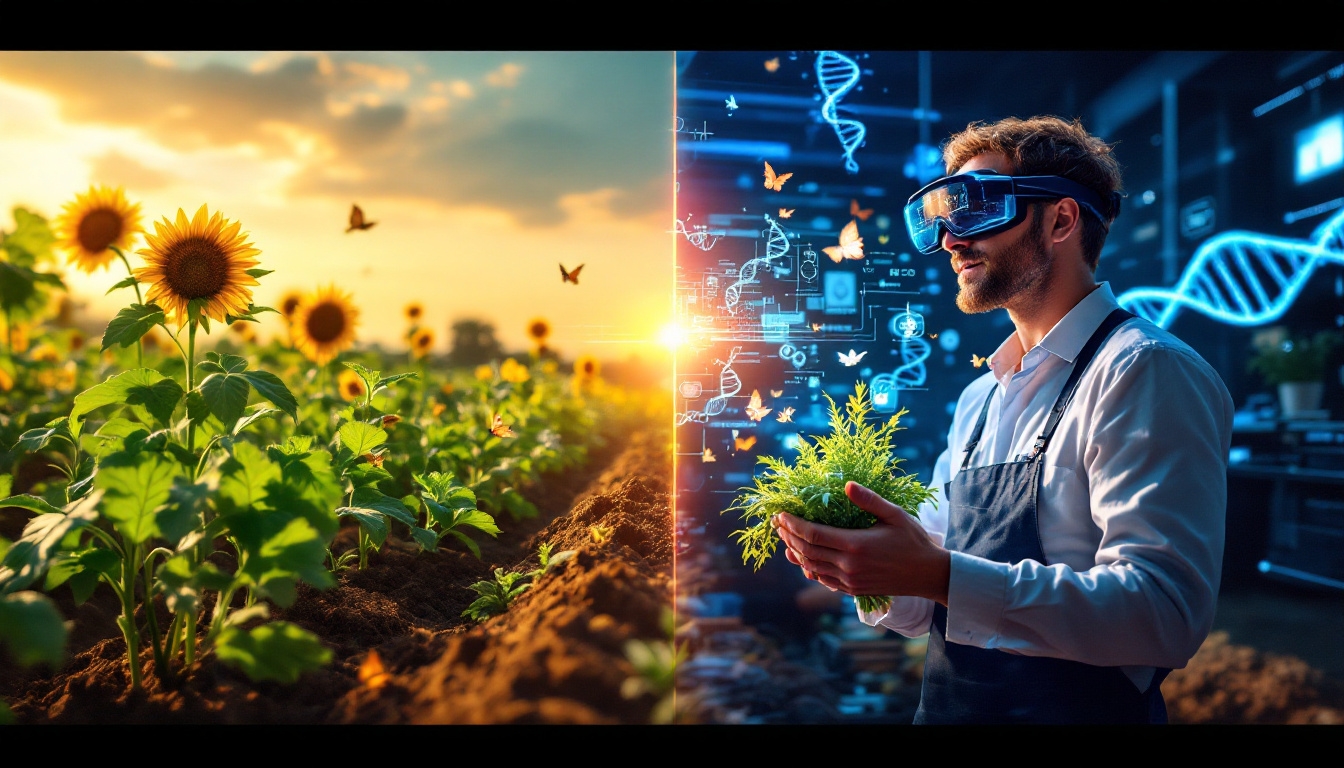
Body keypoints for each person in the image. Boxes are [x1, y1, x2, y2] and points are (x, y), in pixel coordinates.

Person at [772, 115, 1234, 724]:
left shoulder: (1145, 372)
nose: (951, 239)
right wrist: (868, 568)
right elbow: (926, 608)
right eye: (943, 216)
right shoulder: (979, 399)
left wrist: (938, 573)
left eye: (978, 208)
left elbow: (1164, 614)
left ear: (1062, 220)